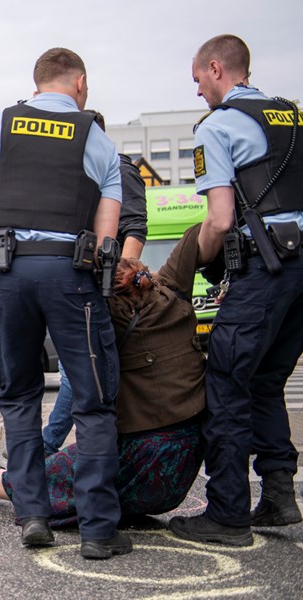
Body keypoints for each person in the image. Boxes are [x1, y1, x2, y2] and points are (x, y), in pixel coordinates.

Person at [0, 48, 130, 559]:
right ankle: (99, 531)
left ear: (37, 84)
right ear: (79, 82)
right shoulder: (97, 139)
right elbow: (107, 238)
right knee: (92, 401)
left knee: (17, 396)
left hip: (9, 276)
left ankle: (33, 516)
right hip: (71, 276)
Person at [0, 225, 207, 546]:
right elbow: (199, 231)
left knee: (65, 471)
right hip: (177, 476)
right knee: (74, 463)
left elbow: (75, 391)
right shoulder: (169, 295)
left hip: (139, 459)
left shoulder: (110, 319)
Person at [169, 34, 303, 547]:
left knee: (225, 380)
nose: (199, 91)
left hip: (264, 268)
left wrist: (200, 258)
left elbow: (220, 219)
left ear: (217, 68)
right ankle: (280, 497)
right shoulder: (290, 115)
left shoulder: (218, 126)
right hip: (296, 273)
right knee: (266, 381)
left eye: (199, 78)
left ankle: (227, 514)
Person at [42, 110, 148, 454]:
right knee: (76, 369)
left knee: (79, 371)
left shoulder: (118, 166)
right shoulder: (81, 172)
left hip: (105, 286)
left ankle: (50, 445)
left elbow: (134, 227)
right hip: (78, 283)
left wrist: (118, 280)